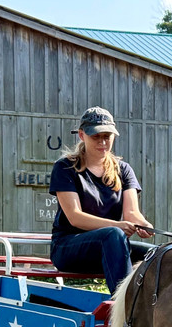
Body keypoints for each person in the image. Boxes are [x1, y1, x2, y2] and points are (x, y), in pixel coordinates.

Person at [49, 106, 154, 293]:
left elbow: (131, 213)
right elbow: (75, 217)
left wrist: (143, 224)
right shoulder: (65, 167)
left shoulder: (124, 169)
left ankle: (152, 309)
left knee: (158, 254)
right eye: (96, 136)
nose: (103, 142)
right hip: (68, 247)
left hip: (111, 245)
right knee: (113, 234)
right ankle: (123, 309)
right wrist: (118, 225)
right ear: (82, 135)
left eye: (107, 136)